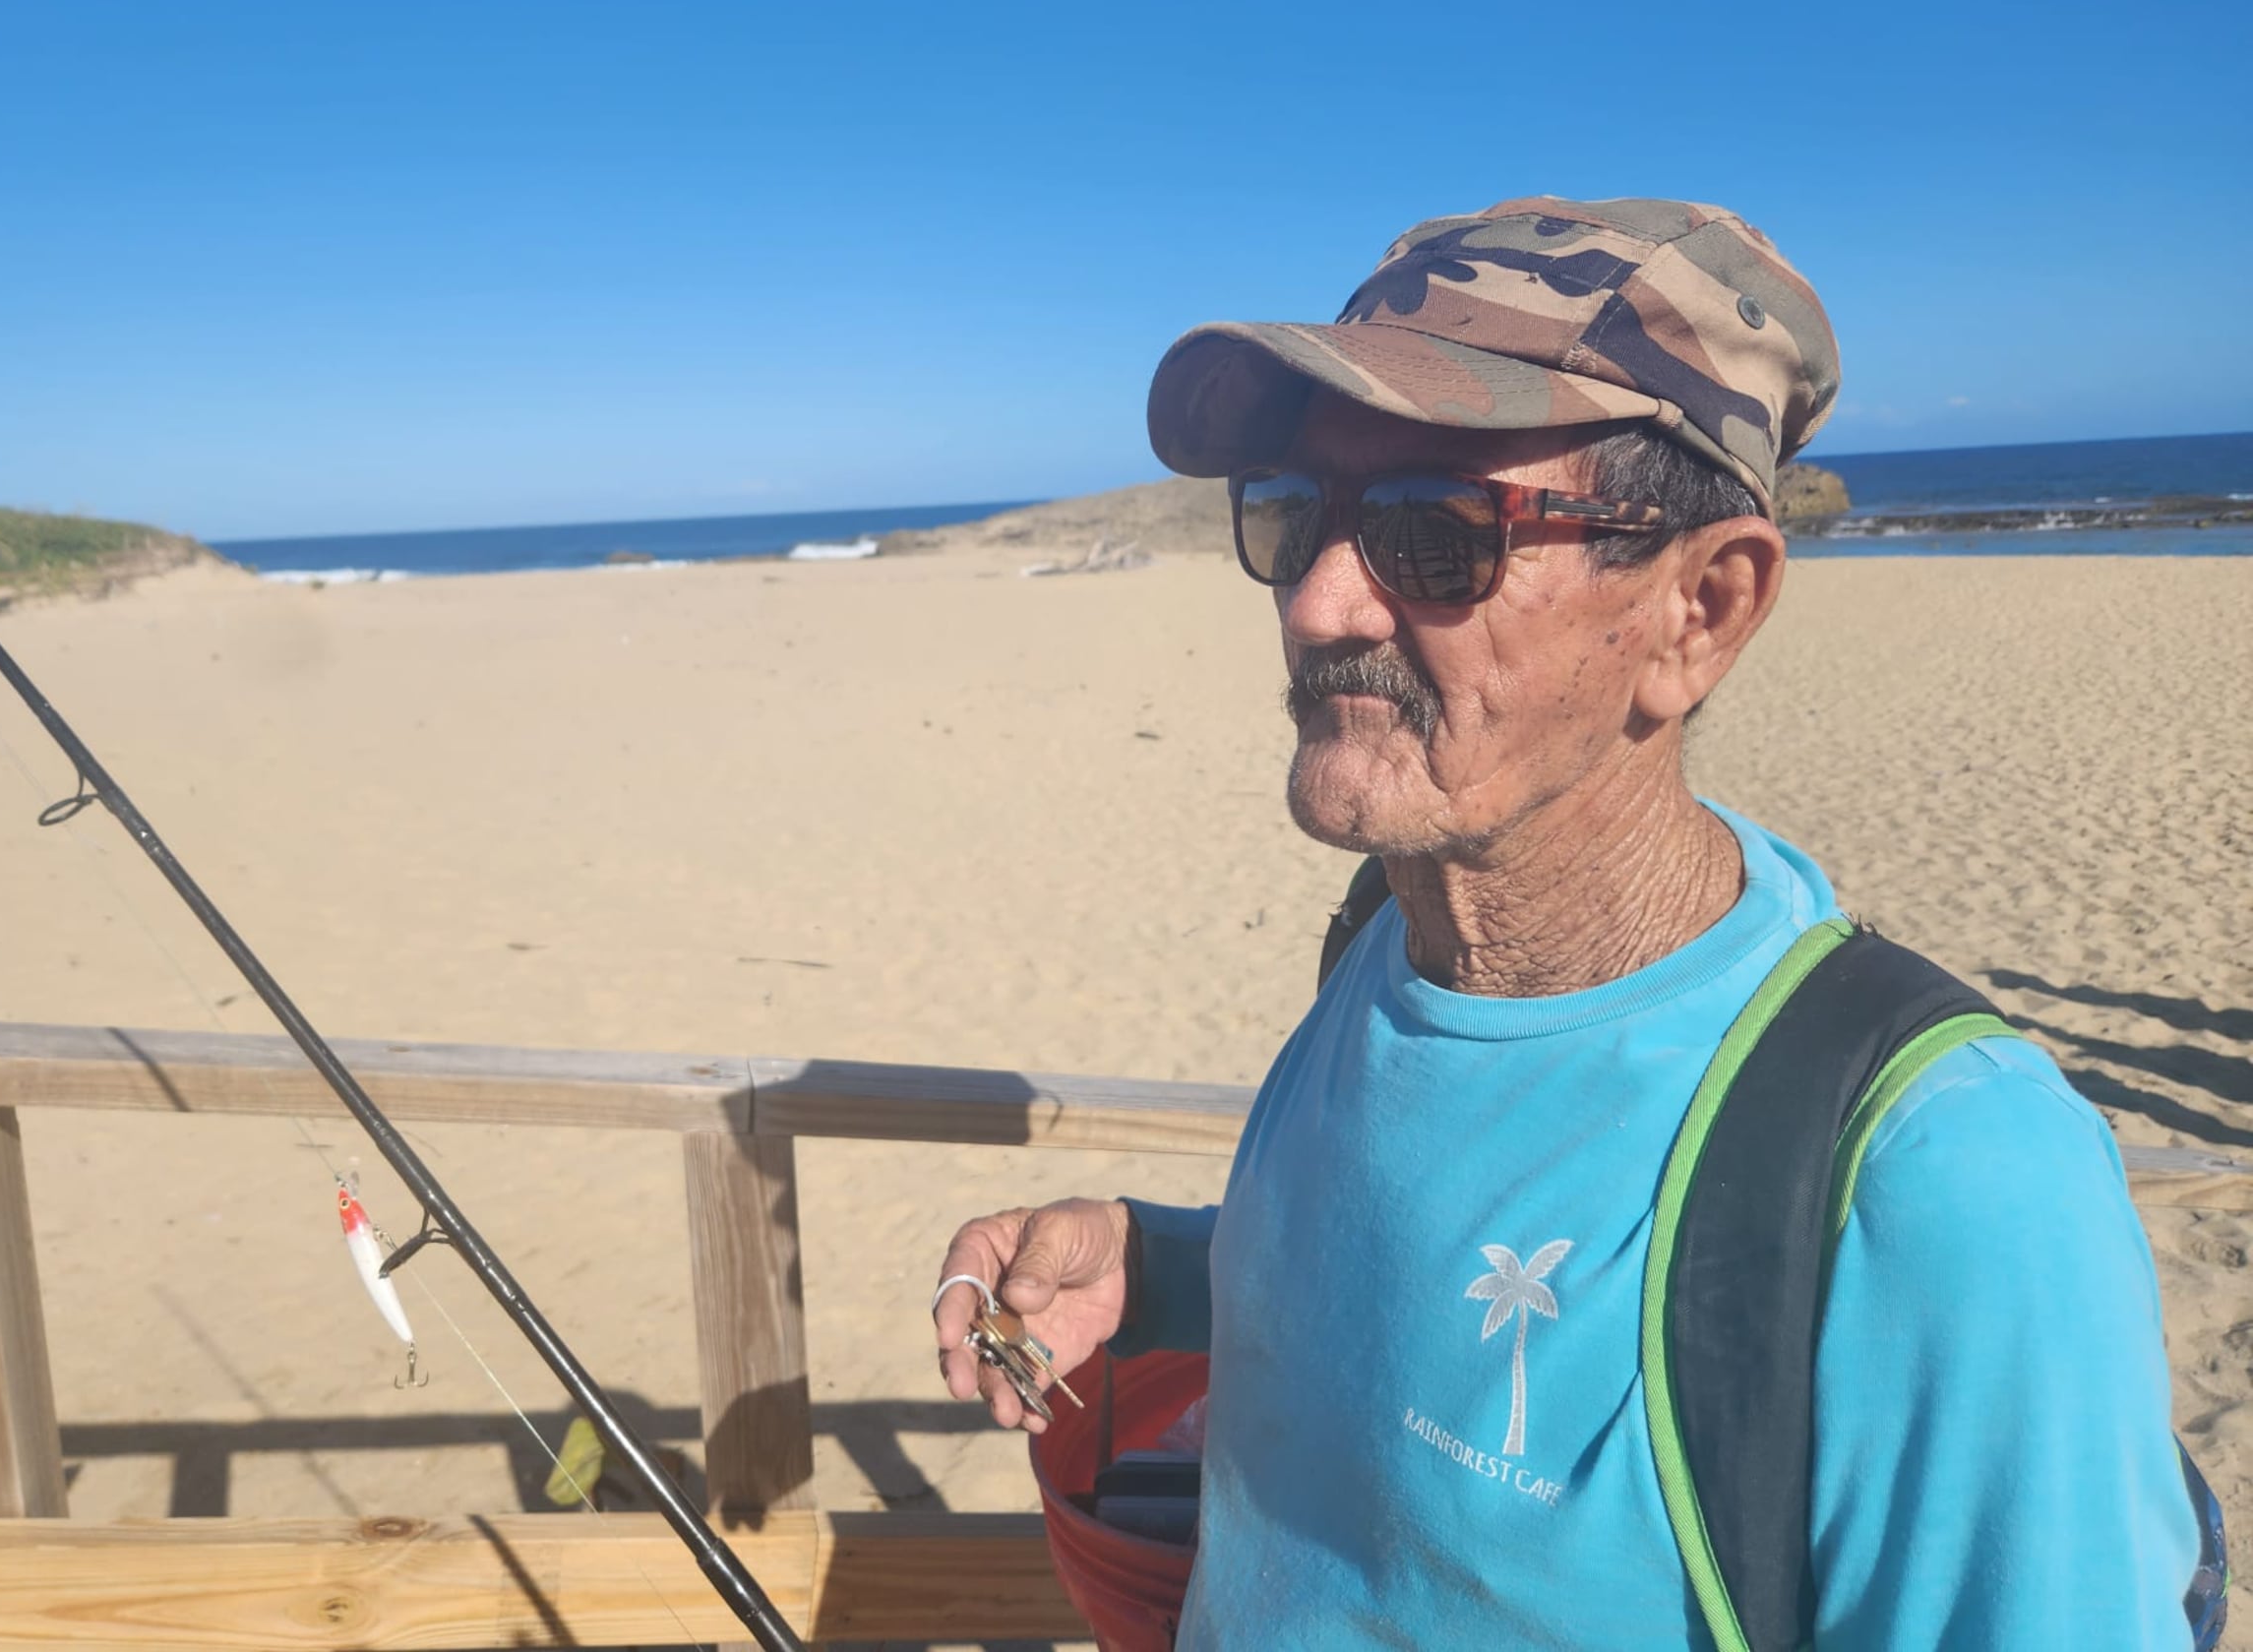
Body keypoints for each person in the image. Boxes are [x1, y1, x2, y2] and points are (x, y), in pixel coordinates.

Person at [931, 198, 2201, 1648]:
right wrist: (1154, 1264)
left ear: (1699, 615)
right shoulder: (1387, 940)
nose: (1320, 603)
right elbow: (1426, 1286)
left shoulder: (1940, 1178)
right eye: (1297, 513)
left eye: (1431, 533)